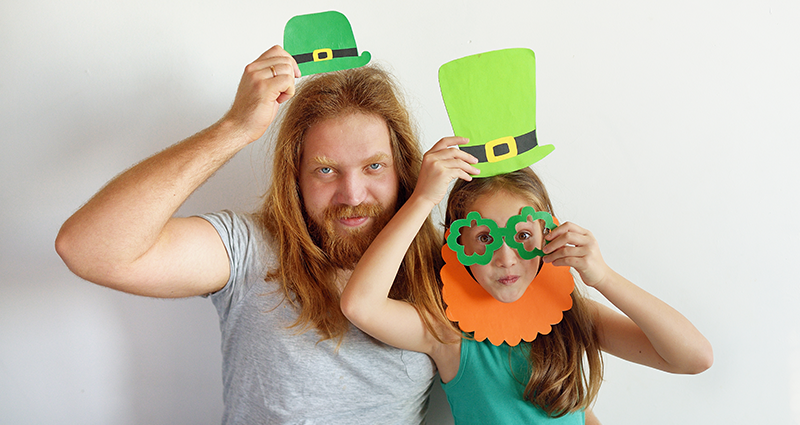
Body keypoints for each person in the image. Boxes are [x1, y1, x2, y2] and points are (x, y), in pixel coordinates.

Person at [55, 45, 446, 424]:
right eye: (325, 170)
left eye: (374, 166)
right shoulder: (250, 247)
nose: (352, 195)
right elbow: (87, 249)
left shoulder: (446, 264)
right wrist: (236, 127)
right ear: (295, 178)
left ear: (403, 170)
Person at [340, 136, 714, 424]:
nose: (506, 259)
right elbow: (361, 305)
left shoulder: (570, 314)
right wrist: (423, 199)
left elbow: (694, 357)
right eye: (485, 238)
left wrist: (603, 277)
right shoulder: (449, 332)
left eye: (522, 236)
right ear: (458, 243)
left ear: (547, 234)